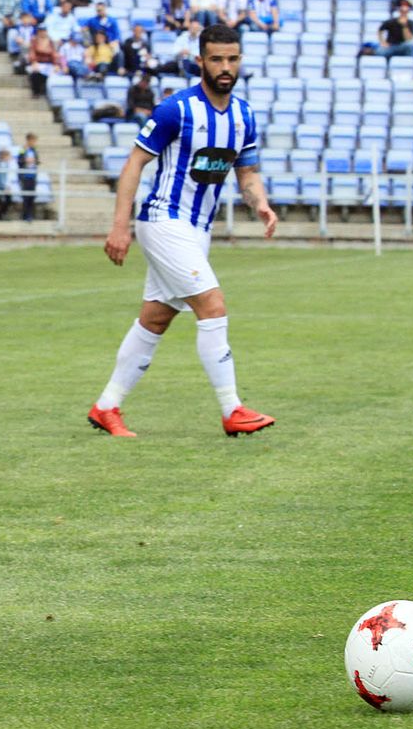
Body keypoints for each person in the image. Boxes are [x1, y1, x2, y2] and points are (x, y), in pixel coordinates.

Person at [88, 24, 277, 440]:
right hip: (163, 220)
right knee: (213, 305)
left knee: (155, 319)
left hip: (197, 230)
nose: (225, 67)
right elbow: (134, 164)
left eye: (232, 59)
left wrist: (260, 203)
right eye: (216, 59)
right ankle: (232, 409)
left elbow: (247, 173)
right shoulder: (176, 110)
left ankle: (105, 407)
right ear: (200, 61)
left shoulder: (243, 115)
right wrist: (119, 227)